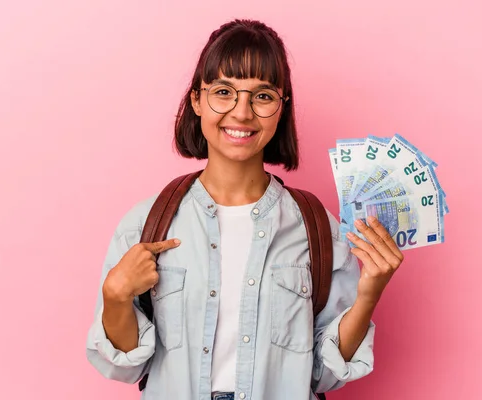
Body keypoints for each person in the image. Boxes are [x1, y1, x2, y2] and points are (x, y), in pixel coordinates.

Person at [86, 19, 404, 400]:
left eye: (263, 96)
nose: (241, 113)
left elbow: (325, 374)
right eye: (223, 91)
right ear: (196, 100)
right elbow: (127, 365)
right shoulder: (145, 224)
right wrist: (115, 297)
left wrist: (369, 295)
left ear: (282, 107)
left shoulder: (317, 229)